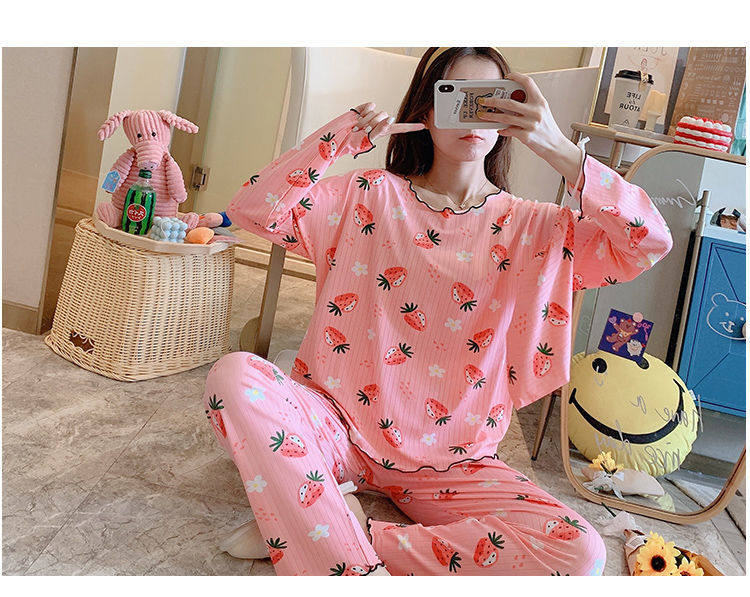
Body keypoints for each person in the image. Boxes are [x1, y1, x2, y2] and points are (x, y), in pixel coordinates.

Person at [202, 47, 673, 576]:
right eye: (455, 96)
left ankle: (337, 526)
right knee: (235, 375)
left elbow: (649, 243)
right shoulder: (367, 196)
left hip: (454, 462)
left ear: (511, 114)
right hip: (334, 429)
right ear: (426, 111)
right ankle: (341, 553)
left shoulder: (538, 228)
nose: (472, 115)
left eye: (490, 100)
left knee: (580, 554)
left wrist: (558, 147)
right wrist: (335, 141)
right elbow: (253, 211)